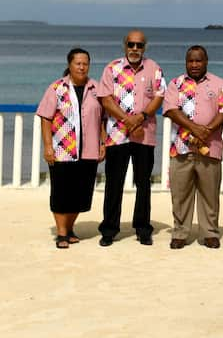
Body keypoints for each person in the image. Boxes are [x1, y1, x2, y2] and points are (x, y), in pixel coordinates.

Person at [96, 30, 165, 246]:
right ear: (125, 45)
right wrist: (128, 120)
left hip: (144, 137)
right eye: (131, 45)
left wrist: (142, 116)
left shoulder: (154, 68)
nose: (135, 49)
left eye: (139, 45)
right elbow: (106, 100)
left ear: (145, 47)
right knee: (113, 183)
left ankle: (143, 228)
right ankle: (109, 229)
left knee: (143, 183)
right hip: (117, 136)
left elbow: (159, 97)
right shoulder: (112, 68)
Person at [162, 46, 223, 249]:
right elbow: (171, 110)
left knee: (210, 194)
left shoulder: (220, 84)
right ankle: (180, 232)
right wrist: (194, 128)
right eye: (190, 61)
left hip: (210, 148)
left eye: (198, 61)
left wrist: (207, 131)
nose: (194, 65)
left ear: (206, 61)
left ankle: (209, 232)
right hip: (180, 148)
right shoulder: (176, 84)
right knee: (180, 193)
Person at [38, 49, 106, 249]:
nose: (82, 67)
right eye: (78, 63)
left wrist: (103, 143)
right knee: (61, 193)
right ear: (69, 65)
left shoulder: (96, 88)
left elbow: (103, 118)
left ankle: (69, 228)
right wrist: (48, 146)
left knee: (81, 193)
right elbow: (45, 117)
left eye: (85, 63)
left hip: (89, 150)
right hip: (62, 150)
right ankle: (61, 233)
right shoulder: (57, 88)